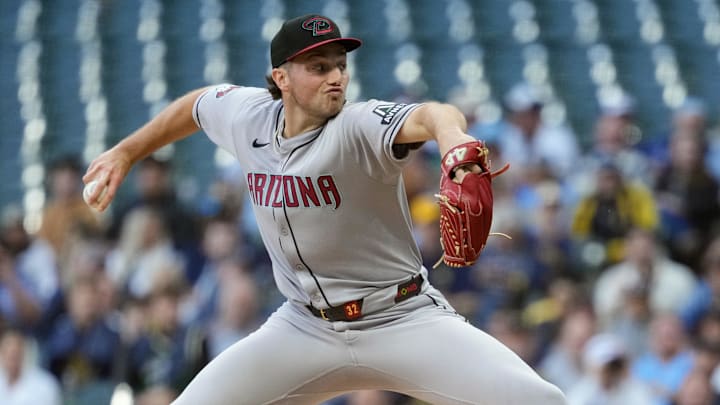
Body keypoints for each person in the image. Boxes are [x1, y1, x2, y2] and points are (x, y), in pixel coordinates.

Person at [82, 14, 566, 404]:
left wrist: (454, 137)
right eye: (318, 67)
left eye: (339, 65)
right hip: (303, 327)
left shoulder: (357, 125)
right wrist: (127, 152)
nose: (335, 77)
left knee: (539, 401)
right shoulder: (247, 116)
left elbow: (429, 115)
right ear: (281, 78)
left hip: (400, 317)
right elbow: (195, 106)